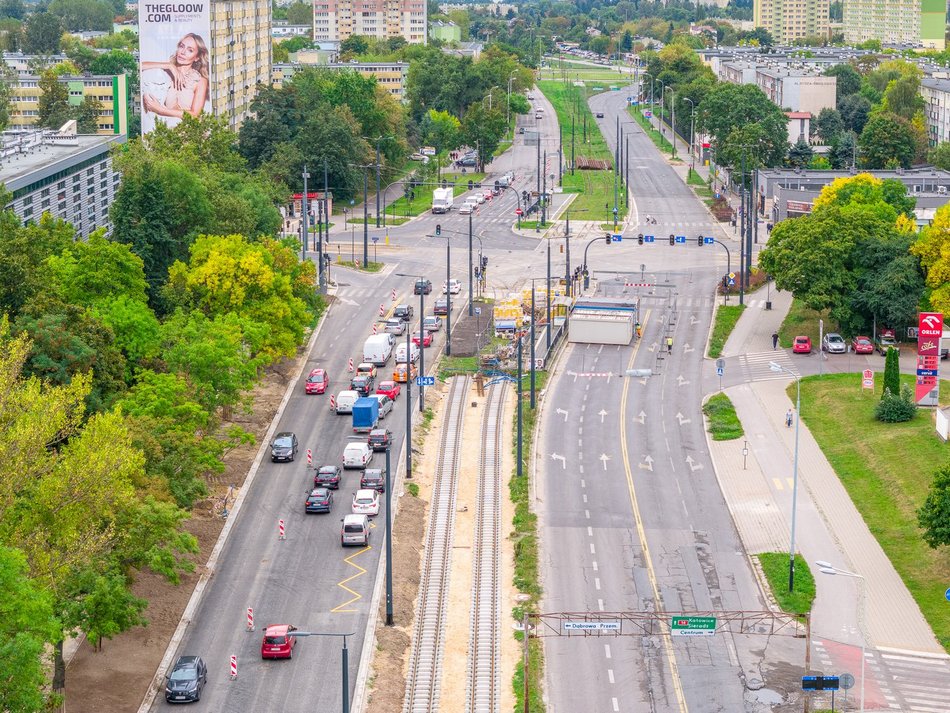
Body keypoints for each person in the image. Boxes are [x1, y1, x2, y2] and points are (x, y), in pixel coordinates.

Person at [142, 33, 209, 124]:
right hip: (165, 131)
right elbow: (139, 66)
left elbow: (195, 115)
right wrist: (169, 65)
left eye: (190, 50)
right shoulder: (166, 73)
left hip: (190, 133)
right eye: (182, 46)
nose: (183, 52)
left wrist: (160, 110)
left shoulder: (200, 81)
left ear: (197, 57)